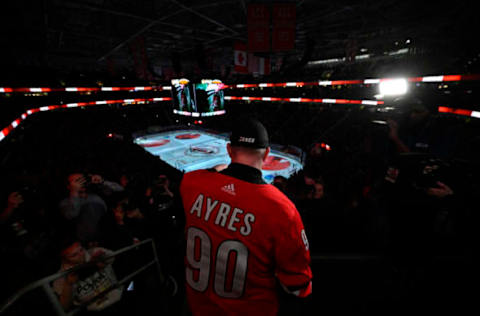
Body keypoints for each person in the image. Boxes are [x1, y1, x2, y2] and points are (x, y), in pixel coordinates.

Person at [179, 118, 312, 316]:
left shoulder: (191, 184)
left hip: (198, 308)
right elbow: (299, 286)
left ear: (229, 150)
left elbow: (210, 175)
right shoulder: (282, 209)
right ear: (267, 154)